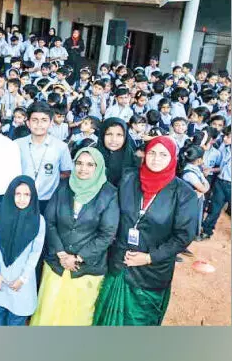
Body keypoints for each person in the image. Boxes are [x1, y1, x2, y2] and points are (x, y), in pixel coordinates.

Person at [93, 136, 198, 326]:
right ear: (145, 154)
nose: (156, 159)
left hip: (151, 272)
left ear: (173, 158)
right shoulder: (128, 178)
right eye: (152, 153)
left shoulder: (184, 193)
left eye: (163, 154)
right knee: (106, 317)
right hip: (119, 262)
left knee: (139, 321)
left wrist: (149, 258)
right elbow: (112, 212)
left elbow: (183, 236)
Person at [31, 147, 118, 326]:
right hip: (57, 263)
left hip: (86, 267)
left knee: (78, 315)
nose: (83, 169)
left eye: (90, 164)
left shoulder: (109, 193)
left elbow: (107, 234)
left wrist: (78, 258)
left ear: (99, 167)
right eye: (79, 163)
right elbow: (50, 221)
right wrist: (61, 253)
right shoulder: (64, 186)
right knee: (49, 311)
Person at [0, 176, 46, 326]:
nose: (22, 199)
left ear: (33, 196)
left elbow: (35, 253)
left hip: (21, 280)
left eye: (27, 194)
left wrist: (22, 279)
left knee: (16, 319)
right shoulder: (2, 214)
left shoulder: (39, 220)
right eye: (18, 194)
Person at [15, 101, 73, 212]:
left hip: (49, 201)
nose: (39, 124)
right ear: (28, 123)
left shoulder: (61, 147)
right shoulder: (17, 145)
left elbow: (66, 172)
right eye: (34, 120)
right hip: (22, 200)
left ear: (51, 123)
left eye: (44, 120)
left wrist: (50, 179)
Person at [96, 117, 139, 187]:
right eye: (109, 134)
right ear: (102, 135)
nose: (114, 139)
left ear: (125, 137)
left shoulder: (133, 161)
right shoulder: (92, 157)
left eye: (119, 135)